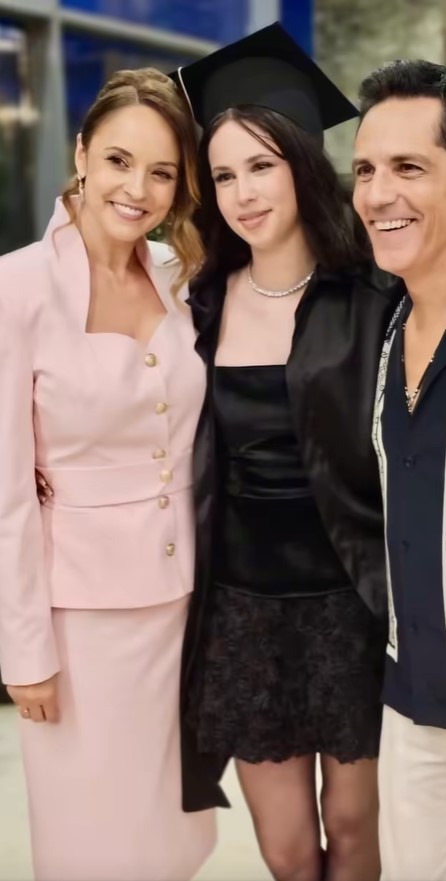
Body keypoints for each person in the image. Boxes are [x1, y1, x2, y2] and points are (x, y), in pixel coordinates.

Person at [170, 24, 446, 881]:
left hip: (354, 603)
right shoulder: (195, 304)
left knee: (358, 831)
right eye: (224, 175)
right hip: (243, 611)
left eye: (261, 164)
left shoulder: (375, 289)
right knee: (287, 848)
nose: (244, 192)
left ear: (301, 161)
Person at [0, 67, 215, 880]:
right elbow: (6, 493)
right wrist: (24, 650)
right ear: (82, 152)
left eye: (162, 172)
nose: (138, 189)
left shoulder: (179, 275)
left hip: (184, 604)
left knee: (170, 836)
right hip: (79, 623)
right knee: (93, 841)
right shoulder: (15, 287)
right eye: (120, 161)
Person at [352, 60, 446, 880]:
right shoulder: (381, 323)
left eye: (408, 167)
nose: (379, 193)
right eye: (365, 170)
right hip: (411, 704)